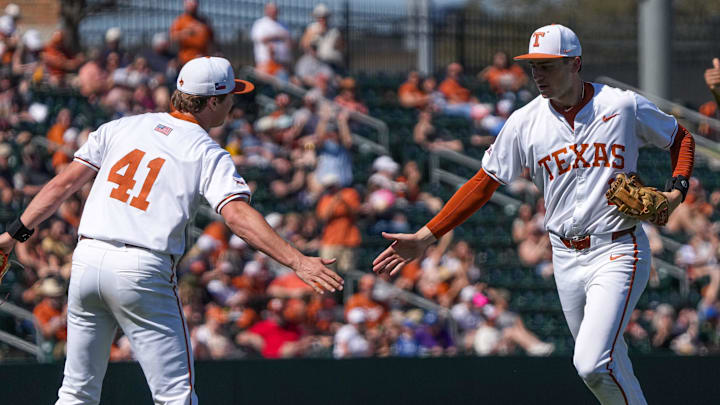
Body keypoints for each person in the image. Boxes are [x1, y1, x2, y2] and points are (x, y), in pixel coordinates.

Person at [373, 24, 695, 405]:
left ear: (575, 63)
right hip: (563, 256)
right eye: (533, 66)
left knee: (592, 363)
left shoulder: (621, 105)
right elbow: (483, 183)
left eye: (547, 65)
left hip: (618, 248)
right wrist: (427, 235)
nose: (537, 74)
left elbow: (680, 138)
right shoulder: (525, 121)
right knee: (608, 365)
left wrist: (676, 192)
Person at [0, 56, 343, 404]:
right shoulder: (207, 151)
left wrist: (12, 234)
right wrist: (297, 261)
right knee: (176, 396)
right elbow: (236, 214)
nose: (232, 103)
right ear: (211, 102)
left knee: (76, 392)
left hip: (87, 259)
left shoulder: (121, 126)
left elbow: (63, 185)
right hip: (143, 267)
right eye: (229, 96)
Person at [250, 2, 292, 79]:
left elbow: (289, 40)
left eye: (275, 10)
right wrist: (276, 36)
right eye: (272, 10)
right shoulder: (260, 24)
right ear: (266, 10)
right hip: (266, 63)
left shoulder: (283, 24)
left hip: (282, 63)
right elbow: (260, 38)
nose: (274, 12)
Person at [170, 0, 215, 66]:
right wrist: (185, 33)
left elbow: (212, 40)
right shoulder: (180, 21)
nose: (193, 5)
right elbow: (172, 37)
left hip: (203, 59)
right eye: (190, 4)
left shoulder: (204, 21)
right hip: (186, 60)